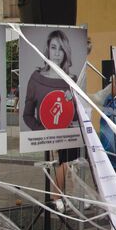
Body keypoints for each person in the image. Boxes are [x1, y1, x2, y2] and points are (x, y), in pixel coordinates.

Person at [23, 30, 79, 212]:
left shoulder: (72, 80)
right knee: (63, 164)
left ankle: (66, 198)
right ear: (47, 49)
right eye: (53, 47)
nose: (56, 53)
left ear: (65, 53)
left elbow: (77, 116)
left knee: (71, 164)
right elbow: (27, 115)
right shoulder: (36, 78)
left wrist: (73, 101)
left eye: (61, 49)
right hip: (48, 136)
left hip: (68, 133)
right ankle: (57, 197)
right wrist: (43, 131)